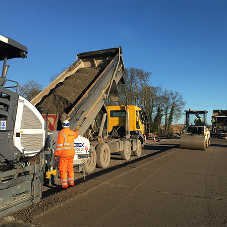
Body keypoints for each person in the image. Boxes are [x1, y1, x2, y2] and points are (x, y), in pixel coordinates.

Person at [54, 120, 78, 189]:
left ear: (62, 126)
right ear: (69, 125)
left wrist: (56, 155)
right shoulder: (72, 133)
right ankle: (71, 183)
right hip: (71, 154)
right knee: (70, 169)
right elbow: (76, 135)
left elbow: (59, 147)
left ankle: (64, 185)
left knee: (62, 170)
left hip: (64, 155)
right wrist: (76, 131)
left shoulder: (62, 134)